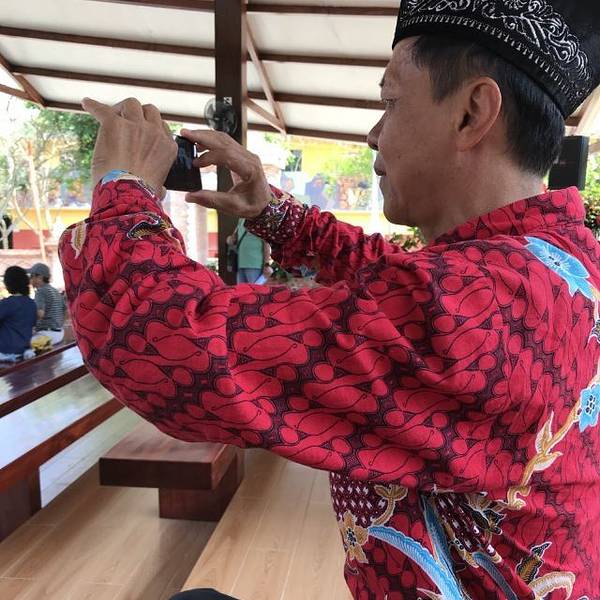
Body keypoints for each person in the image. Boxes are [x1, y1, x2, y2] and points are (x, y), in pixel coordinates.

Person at [58, 1, 600, 598]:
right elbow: (392, 279)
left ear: (472, 113)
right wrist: (273, 212)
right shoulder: (554, 261)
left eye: (390, 102)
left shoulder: (483, 303)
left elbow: (164, 344)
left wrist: (124, 188)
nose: (373, 133)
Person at [0, 266, 37, 361]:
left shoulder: (6, 304)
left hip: (6, 352)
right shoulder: (31, 303)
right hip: (24, 350)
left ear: (9, 283)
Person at [28, 262, 66, 346]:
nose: (30, 280)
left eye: (31, 276)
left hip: (47, 335)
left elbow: (40, 314)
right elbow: (64, 310)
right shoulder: (55, 291)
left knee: (18, 344)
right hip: (59, 333)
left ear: (40, 277)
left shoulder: (40, 291)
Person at [226, 218, 272, 284]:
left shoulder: (261, 220)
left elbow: (266, 244)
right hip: (240, 264)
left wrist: (266, 264)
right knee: (242, 290)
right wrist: (230, 239)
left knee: (254, 289)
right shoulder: (241, 220)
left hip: (255, 265)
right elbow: (232, 239)